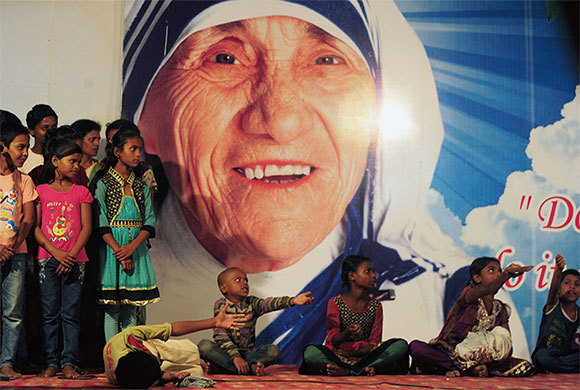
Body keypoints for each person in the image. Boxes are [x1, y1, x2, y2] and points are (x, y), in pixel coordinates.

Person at [123, 0, 530, 363]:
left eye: (326, 61)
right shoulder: (115, 288)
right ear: (144, 112)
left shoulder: (438, 296)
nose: (281, 121)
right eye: (225, 58)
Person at [409, 257, 534, 377]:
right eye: (492, 270)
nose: (497, 275)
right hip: (452, 351)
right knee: (416, 348)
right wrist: (507, 274)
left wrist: (492, 358)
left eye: (499, 271)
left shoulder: (500, 309)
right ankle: (468, 369)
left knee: (526, 367)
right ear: (477, 278)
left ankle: (466, 368)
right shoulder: (468, 295)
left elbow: (507, 344)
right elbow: (490, 288)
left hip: (482, 357)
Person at [91, 126, 159, 341]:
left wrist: (132, 248)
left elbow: (149, 222)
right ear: (118, 152)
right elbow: (101, 224)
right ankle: (112, 356)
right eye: (133, 149)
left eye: (140, 149)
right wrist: (120, 251)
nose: (138, 154)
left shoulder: (140, 186)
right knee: (112, 309)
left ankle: (129, 354)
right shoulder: (103, 184)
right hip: (113, 252)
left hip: (136, 249)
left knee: (131, 307)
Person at [34, 137, 93, 378]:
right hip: (47, 259)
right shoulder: (41, 191)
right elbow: (35, 228)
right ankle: (50, 361)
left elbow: (86, 228)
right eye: (72, 161)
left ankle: (69, 361)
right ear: (55, 161)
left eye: (79, 162)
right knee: (49, 313)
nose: (77, 166)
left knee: (71, 313)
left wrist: (71, 254)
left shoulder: (81, 192)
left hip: (75, 260)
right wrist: (56, 251)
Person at [299, 255, 408, 376]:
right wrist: (347, 332)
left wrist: (351, 354)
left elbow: (374, 343)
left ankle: (348, 371)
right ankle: (362, 370)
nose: (373, 275)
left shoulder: (375, 306)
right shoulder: (335, 303)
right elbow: (333, 340)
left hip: (365, 356)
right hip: (338, 355)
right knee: (310, 352)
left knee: (401, 345)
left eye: (373, 271)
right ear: (352, 276)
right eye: (367, 271)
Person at [198, 267, 314, 375]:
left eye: (246, 280)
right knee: (204, 346)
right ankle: (248, 369)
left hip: (249, 354)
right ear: (224, 288)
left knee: (274, 351)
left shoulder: (252, 303)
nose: (244, 283)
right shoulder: (221, 305)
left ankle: (225, 368)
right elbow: (220, 335)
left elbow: (269, 303)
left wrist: (292, 300)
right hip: (227, 354)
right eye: (238, 280)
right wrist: (236, 357)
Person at [104, 306, 247, 388]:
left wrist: (214, 322)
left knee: (191, 351)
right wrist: (171, 377)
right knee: (196, 372)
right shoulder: (121, 379)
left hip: (153, 346)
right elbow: (146, 376)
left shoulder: (129, 336)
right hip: (145, 366)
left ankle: (166, 357)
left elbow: (173, 328)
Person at [0, 110, 37, 379]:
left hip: (16, 254)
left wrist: (12, 246)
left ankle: (6, 363)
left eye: (26, 147)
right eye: (20, 147)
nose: (25, 152)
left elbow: (28, 218)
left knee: (12, 313)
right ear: (3, 147)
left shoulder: (24, 180)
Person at [532, 253, 579, 373]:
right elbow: (552, 290)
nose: (572, 287)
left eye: (577, 284)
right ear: (559, 288)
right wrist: (558, 269)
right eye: (567, 283)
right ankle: (569, 369)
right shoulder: (553, 305)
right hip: (546, 354)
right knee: (542, 357)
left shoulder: (578, 312)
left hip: (565, 355)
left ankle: (560, 368)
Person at [22, 104, 57, 174]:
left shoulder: (62, 158)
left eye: (54, 127)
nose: (51, 132)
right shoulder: (24, 158)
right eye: (44, 128)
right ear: (31, 131)